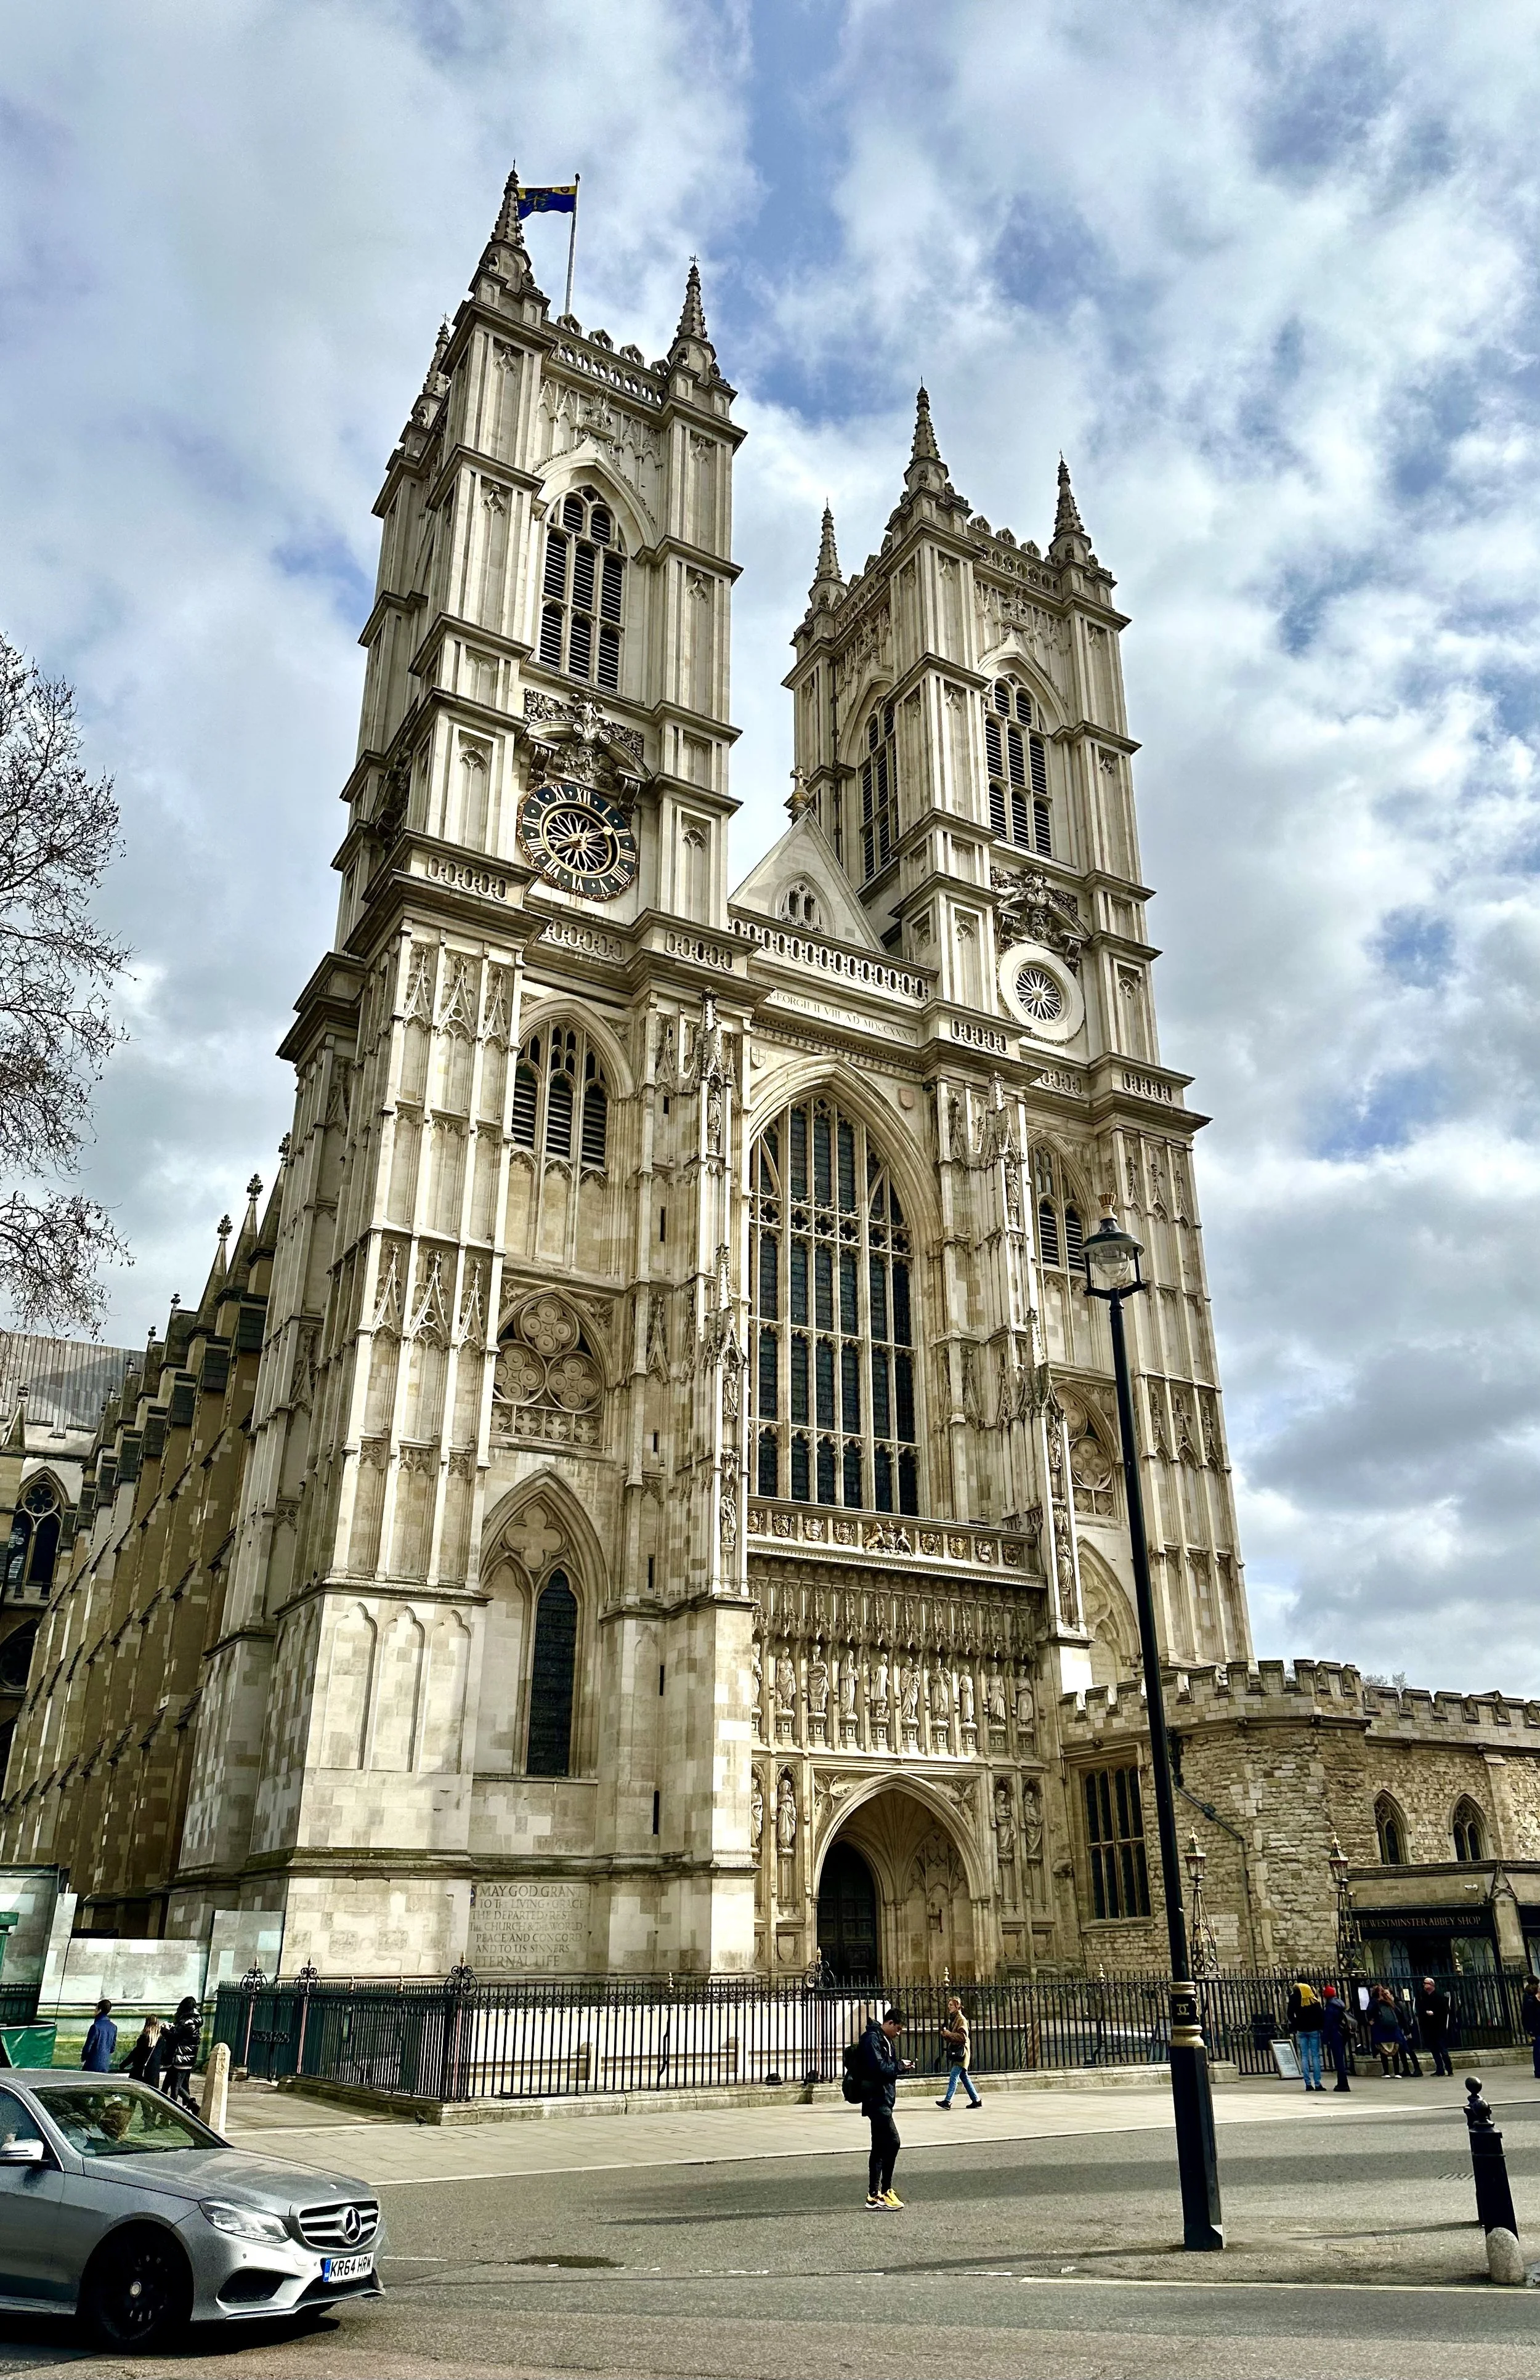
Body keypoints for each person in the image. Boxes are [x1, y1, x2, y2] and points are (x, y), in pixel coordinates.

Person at [857, 2006, 911, 2210]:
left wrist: (901, 2067)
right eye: (897, 2029)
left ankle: (873, 2195)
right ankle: (886, 2190)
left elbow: (888, 2069)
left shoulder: (885, 2040)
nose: (898, 2034)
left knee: (879, 2147)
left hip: (883, 2098)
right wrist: (898, 2066)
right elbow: (879, 2069)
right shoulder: (872, 2039)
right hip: (876, 2100)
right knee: (894, 2142)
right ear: (888, 2023)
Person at [935, 1996, 982, 2109]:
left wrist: (949, 2034)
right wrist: (946, 2034)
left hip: (962, 2052)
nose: (949, 2007)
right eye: (949, 2005)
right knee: (964, 2077)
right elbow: (953, 2036)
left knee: (954, 2075)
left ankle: (948, 2101)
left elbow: (963, 2037)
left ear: (958, 2006)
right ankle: (976, 2100)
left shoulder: (961, 2019)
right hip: (958, 2051)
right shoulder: (954, 2019)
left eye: (951, 2005)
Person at [1286, 1981, 1324, 2091]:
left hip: (1302, 2030)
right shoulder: (1314, 2000)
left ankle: (1308, 2083)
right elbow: (1320, 2015)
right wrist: (1320, 2026)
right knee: (1315, 2056)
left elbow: (1290, 2014)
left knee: (1304, 2056)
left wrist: (1296, 2023)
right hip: (1313, 2030)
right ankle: (1318, 2083)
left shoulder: (1295, 2000)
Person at [1370, 1984, 1410, 2078]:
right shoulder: (1389, 2002)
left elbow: (1369, 2012)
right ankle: (1397, 2073)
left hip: (1382, 2030)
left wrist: (1372, 2020)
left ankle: (1386, 2073)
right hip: (1393, 2030)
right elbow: (1398, 2012)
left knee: (1383, 2052)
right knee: (1394, 2051)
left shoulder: (1375, 2002)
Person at [1416, 1978, 1453, 2078]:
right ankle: (1440, 2069)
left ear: (1432, 1985)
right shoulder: (1424, 1997)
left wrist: (1435, 2013)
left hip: (1439, 2028)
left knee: (1442, 2049)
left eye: (1426, 1984)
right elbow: (1420, 2011)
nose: (1424, 1986)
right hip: (1429, 2028)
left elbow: (1445, 2011)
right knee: (1434, 2050)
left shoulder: (1439, 1997)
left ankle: (1449, 2068)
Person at [1320, 1985, 1352, 2092]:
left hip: (1335, 2035)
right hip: (1342, 2034)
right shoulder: (1340, 2004)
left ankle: (1343, 2084)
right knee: (1340, 2059)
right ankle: (1342, 2083)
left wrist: (1325, 2038)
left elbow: (1328, 2024)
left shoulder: (1330, 2007)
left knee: (1339, 2061)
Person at [80, 1998, 117, 2074]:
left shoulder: (95, 2027)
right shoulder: (114, 2027)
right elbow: (112, 2048)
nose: (95, 2011)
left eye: (96, 2008)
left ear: (99, 2010)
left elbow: (88, 2047)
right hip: (105, 2066)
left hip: (92, 2065)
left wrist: (83, 2058)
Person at [124, 2015, 163, 2081]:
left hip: (140, 2070)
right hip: (154, 2072)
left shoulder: (144, 2038)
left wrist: (124, 2064)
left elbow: (135, 2053)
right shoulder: (161, 2039)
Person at [1522, 1977, 1540, 2080]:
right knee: (1538, 2050)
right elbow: (1527, 2015)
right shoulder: (1529, 1999)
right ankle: (1538, 2070)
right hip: (1536, 2028)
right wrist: (1530, 2031)